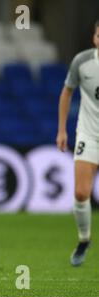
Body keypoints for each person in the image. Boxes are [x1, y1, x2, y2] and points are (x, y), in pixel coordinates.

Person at [56, 20, 99, 267]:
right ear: (94, 38)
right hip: (88, 134)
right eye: (98, 35)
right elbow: (66, 92)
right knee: (81, 192)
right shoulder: (82, 62)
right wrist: (62, 130)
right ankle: (84, 239)